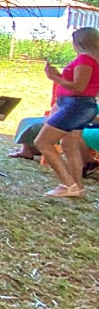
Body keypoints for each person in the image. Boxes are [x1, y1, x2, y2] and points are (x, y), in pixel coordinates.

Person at [33, 27, 99, 197]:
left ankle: (68, 184)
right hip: (80, 105)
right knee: (69, 146)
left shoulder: (85, 59)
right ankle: (77, 187)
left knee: (43, 142)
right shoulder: (93, 59)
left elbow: (79, 87)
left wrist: (54, 77)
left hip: (75, 106)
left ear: (78, 42)